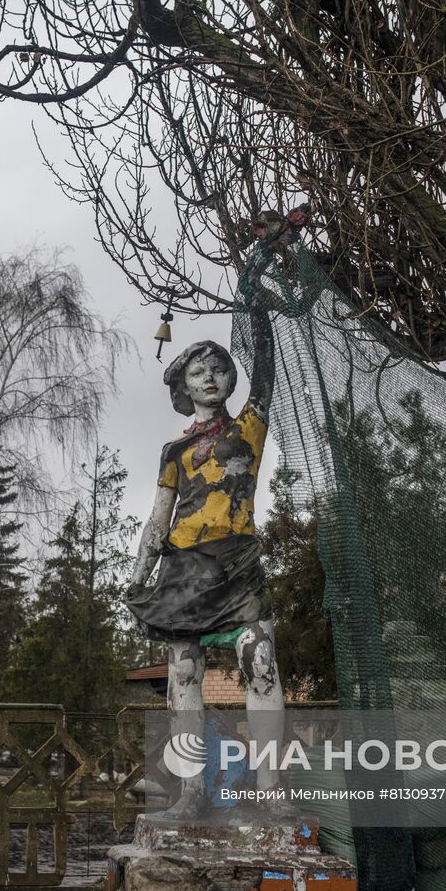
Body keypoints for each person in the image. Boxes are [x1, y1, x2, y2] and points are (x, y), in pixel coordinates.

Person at [125, 237, 286, 819]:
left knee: (261, 664)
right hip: (185, 570)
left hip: (239, 562)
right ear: (183, 384)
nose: (211, 376)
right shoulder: (173, 449)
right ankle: (191, 791)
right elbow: (158, 513)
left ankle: (271, 791)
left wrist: (258, 300)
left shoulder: (249, 428)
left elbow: (266, 372)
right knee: (184, 672)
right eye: (199, 370)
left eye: (219, 368)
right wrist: (139, 574)